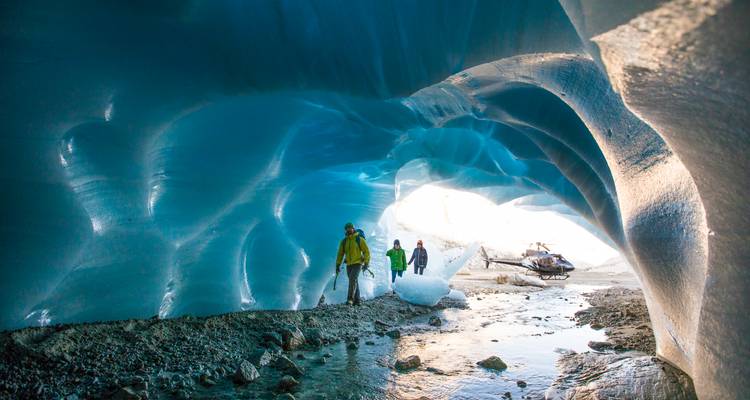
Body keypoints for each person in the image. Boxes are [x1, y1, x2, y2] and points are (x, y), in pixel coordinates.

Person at [335, 222, 370, 305]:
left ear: (353, 228)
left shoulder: (359, 239)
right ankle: (357, 301)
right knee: (354, 281)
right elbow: (340, 254)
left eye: (350, 228)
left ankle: (350, 299)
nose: (349, 229)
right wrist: (338, 264)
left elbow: (366, 251)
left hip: (358, 263)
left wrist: (366, 263)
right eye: (347, 228)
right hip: (349, 265)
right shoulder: (344, 241)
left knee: (352, 279)